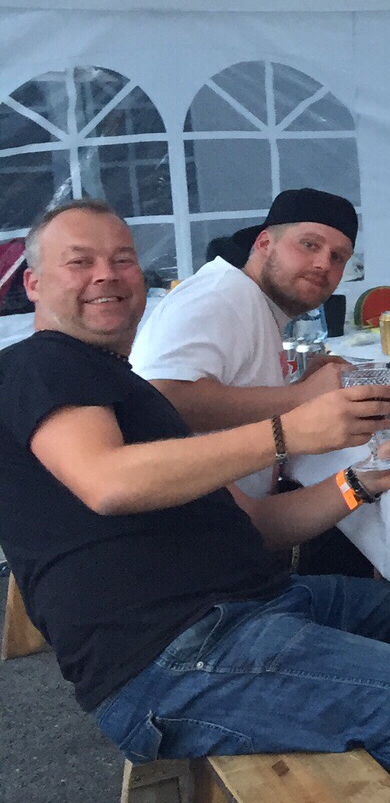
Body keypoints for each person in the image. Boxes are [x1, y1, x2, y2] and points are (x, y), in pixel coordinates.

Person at [0, 199, 390, 803]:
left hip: (249, 607)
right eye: (79, 261)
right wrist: (290, 428)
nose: (107, 276)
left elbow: (257, 526)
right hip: (167, 657)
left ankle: (343, 802)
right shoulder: (39, 365)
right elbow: (107, 483)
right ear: (32, 283)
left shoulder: (128, 389)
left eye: (122, 259)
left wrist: (361, 482)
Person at [131, 187, 370, 573]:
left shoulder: (253, 302)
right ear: (264, 243)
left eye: (338, 257)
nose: (323, 264)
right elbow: (161, 399)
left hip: (244, 528)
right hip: (197, 559)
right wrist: (301, 398)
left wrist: (299, 388)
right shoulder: (221, 295)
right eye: (309, 245)